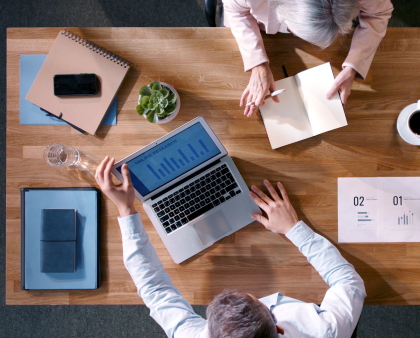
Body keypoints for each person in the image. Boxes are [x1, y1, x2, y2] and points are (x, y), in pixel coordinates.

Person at [95, 156, 366, 337]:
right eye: (257, 300)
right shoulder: (323, 330)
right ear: (280, 329)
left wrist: (126, 209)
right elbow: (349, 283)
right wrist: (293, 229)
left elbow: (154, 289)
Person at [224, 0, 394, 116]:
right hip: (259, 28)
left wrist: (354, 65)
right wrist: (257, 63)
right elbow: (235, 11)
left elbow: (379, 12)